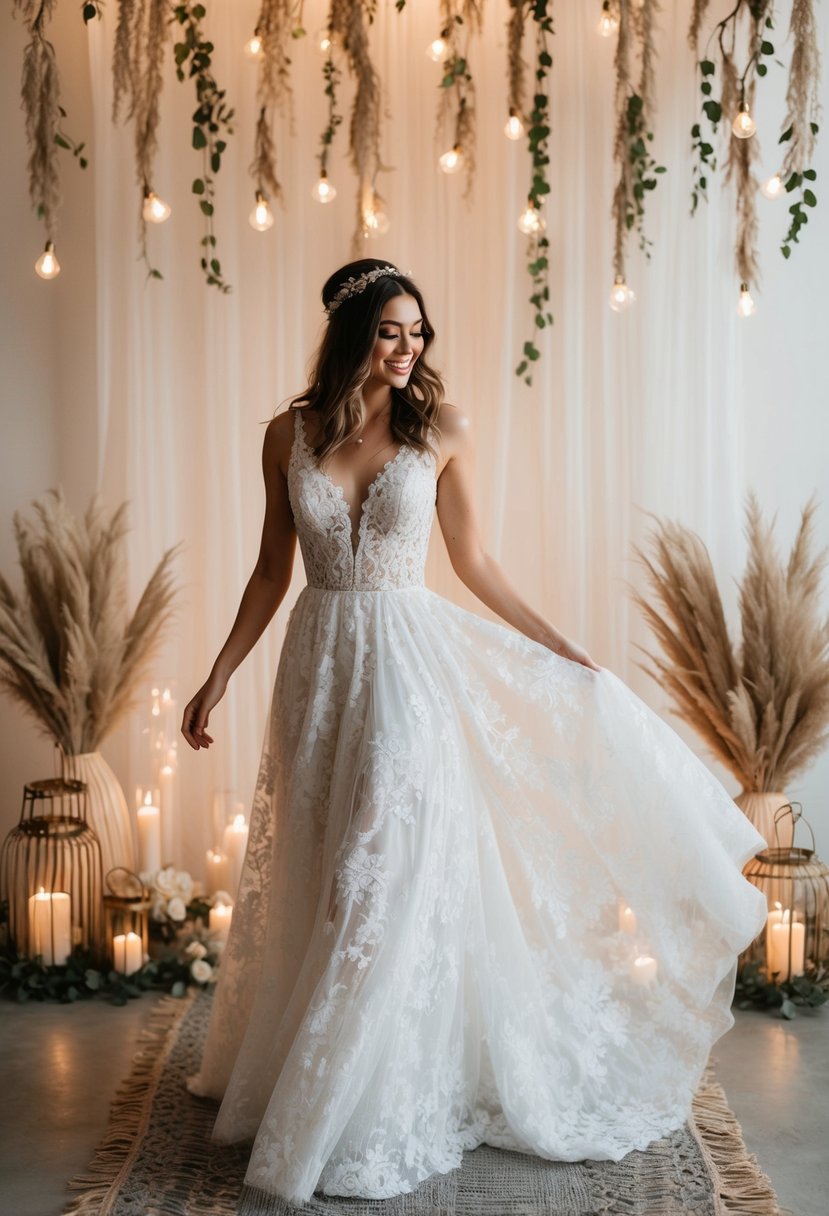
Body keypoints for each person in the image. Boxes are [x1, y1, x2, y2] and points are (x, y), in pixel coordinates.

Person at [182, 258, 767, 1205]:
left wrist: (563, 644)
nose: (409, 348)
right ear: (350, 336)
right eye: (390, 331)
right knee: (325, 869)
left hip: (409, 668)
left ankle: (351, 1113)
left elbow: (474, 560)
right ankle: (336, 1068)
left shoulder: (440, 430)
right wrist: (216, 675)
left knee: (385, 868)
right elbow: (267, 572)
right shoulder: (284, 436)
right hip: (320, 669)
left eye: (419, 332)